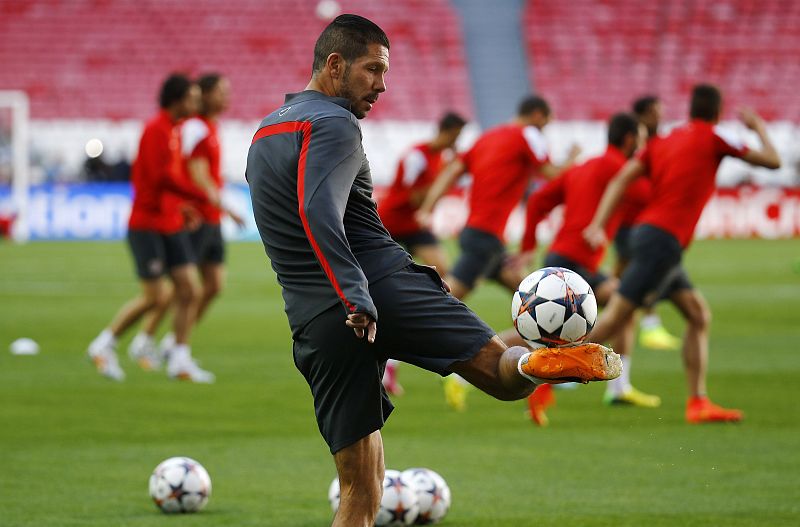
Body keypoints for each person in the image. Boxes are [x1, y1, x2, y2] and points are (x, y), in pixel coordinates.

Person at [245, 14, 621, 527]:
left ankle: (541, 357)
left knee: (359, 492)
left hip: (315, 320)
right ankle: (545, 361)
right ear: (334, 65)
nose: (382, 84)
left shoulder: (265, 131)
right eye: (372, 70)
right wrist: (356, 294)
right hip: (376, 289)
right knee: (502, 377)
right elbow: (318, 211)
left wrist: (342, 300)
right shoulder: (335, 122)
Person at [583, 84, 781, 424]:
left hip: (657, 240)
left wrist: (597, 223)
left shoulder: (663, 142)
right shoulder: (714, 137)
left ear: (690, 109)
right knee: (616, 317)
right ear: (718, 111)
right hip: (662, 241)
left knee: (698, 315)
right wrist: (758, 127)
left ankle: (698, 403)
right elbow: (773, 162)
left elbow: (620, 180)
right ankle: (548, 365)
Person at [414, 95, 580, 410]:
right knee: (442, 301)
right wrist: (572, 158)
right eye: (546, 120)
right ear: (536, 115)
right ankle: (406, 357)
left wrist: (428, 205)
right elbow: (553, 175)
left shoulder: (487, 137)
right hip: (486, 237)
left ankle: (556, 364)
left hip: (479, 235)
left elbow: (451, 171)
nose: (546, 127)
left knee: (532, 301)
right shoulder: (528, 133)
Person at [512, 113, 660, 425]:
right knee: (537, 332)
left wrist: (527, 246)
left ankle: (619, 387)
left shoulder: (585, 167)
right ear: (631, 140)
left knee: (622, 307)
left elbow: (538, 200)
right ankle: (482, 361)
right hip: (574, 261)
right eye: (644, 141)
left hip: (571, 258)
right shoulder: (619, 169)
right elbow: (652, 197)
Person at [86, 74, 218, 383]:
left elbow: (163, 184)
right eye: (192, 97)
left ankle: (179, 359)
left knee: (190, 289)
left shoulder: (172, 130)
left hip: (167, 221)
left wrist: (182, 208)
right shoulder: (156, 129)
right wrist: (200, 196)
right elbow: (161, 179)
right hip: (146, 224)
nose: (196, 103)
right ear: (177, 99)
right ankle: (105, 343)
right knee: (156, 297)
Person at [127, 73, 245, 367]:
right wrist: (212, 201)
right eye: (221, 91)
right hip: (198, 216)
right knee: (183, 285)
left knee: (213, 285)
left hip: (211, 216)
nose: (227, 97)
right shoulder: (192, 128)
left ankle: (173, 342)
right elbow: (192, 170)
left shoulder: (209, 127)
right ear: (204, 95)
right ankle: (148, 338)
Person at [377, 111, 467, 395]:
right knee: (381, 284)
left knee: (445, 275)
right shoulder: (417, 156)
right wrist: (445, 179)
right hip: (391, 222)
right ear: (449, 131)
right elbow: (413, 196)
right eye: (457, 135)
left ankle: (410, 334)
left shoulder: (439, 159)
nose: (458, 140)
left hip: (414, 224)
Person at [619, 95, 681, 351]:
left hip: (645, 221)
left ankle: (647, 324)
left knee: (623, 278)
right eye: (656, 110)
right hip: (631, 221)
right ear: (643, 114)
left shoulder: (659, 143)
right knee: (637, 277)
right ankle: (649, 325)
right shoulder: (635, 140)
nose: (661, 115)